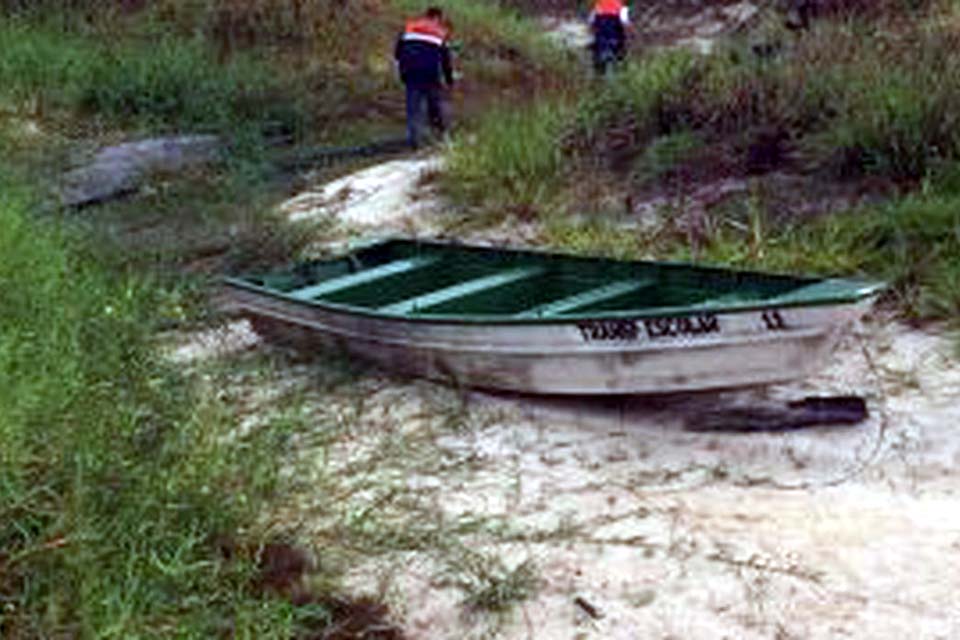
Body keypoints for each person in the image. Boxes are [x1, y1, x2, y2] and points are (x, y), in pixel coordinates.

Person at [395, 7, 455, 149]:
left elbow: (397, 52)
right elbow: (445, 60)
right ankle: (440, 135)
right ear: (437, 18)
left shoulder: (409, 27)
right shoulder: (439, 32)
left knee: (412, 105)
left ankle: (413, 139)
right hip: (430, 73)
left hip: (409, 71)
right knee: (434, 104)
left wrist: (403, 68)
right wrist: (449, 80)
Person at [589, 0, 631, 75]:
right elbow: (624, 21)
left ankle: (599, 73)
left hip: (601, 39)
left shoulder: (599, 4)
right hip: (615, 38)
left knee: (599, 55)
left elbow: (591, 21)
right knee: (617, 55)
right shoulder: (619, 5)